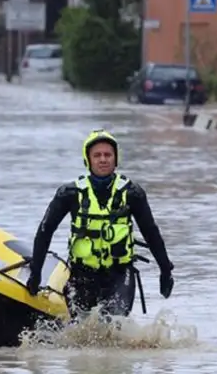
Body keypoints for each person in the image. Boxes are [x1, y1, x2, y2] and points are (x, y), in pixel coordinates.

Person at [25, 129, 174, 319]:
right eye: (97, 155)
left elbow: (151, 233)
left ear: (115, 159)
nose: (103, 159)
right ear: (88, 160)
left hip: (119, 274)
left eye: (108, 155)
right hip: (82, 275)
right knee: (82, 329)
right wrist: (36, 272)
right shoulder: (69, 193)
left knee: (114, 323)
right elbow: (45, 231)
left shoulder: (132, 193)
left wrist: (165, 270)